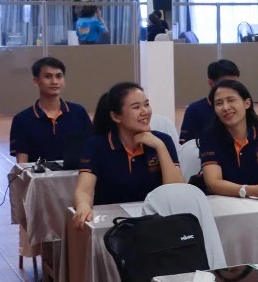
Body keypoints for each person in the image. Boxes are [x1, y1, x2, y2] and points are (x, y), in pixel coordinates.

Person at [71, 82, 182, 226]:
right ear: (116, 117)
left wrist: (160, 147)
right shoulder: (96, 145)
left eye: (146, 105)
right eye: (136, 107)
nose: (145, 111)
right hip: (112, 224)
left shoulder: (162, 140)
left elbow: (177, 192)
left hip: (156, 223)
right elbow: (84, 191)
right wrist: (83, 205)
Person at [198, 79, 258, 200]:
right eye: (219, 103)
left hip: (256, 202)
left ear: (247, 103)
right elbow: (213, 183)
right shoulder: (210, 136)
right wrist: (249, 190)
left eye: (231, 100)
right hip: (220, 202)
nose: (225, 107)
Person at [9, 57, 93, 164]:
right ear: (36, 81)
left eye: (59, 76)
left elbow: (91, 149)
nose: (54, 81)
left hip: (76, 178)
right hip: (39, 179)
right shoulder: (22, 119)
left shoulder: (79, 112)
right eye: (48, 76)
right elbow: (22, 164)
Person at [179, 59, 240, 144]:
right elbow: (186, 146)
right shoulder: (194, 110)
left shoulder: (241, 106)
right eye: (226, 84)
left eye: (235, 84)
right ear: (211, 84)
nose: (232, 88)